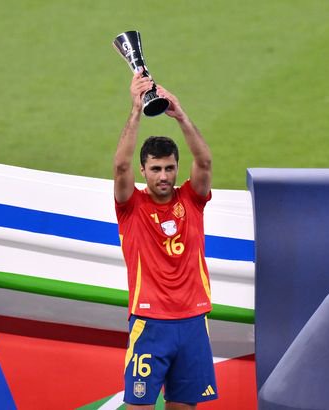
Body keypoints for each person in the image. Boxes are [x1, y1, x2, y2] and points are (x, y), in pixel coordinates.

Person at [114, 68, 217, 409]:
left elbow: (204, 160)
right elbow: (119, 167)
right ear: (144, 170)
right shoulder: (132, 206)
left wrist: (181, 115)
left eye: (169, 168)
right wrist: (135, 108)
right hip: (150, 322)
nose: (163, 176)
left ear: (176, 168)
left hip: (192, 321)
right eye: (155, 169)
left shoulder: (191, 200)